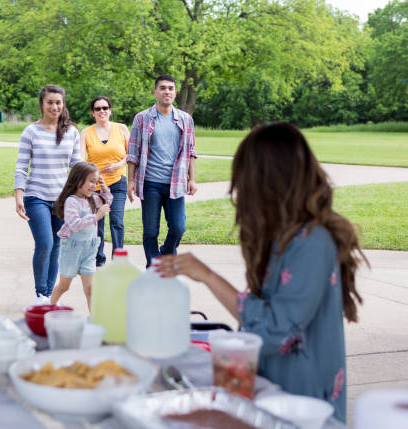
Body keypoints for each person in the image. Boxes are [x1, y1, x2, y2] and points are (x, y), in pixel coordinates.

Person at [155, 122, 366, 422]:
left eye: (246, 180)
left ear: (269, 181)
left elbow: (273, 330)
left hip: (301, 402)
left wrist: (209, 277)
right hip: (275, 387)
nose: (240, 191)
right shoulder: (286, 235)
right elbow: (260, 318)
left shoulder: (313, 243)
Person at [14, 85, 81, 305]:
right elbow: (22, 167)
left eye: (58, 102)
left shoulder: (71, 132)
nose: (54, 106)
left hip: (61, 199)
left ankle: (49, 296)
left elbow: (76, 164)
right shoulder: (31, 132)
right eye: (50, 102)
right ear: (42, 104)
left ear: (63, 104)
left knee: (56, 245)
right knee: (44, 243)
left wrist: (90, 180)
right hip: (36, 196)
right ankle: (40, 292)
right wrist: (18, 196)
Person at [126, 74, 197, 268]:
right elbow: (133, 152)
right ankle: (153, 266)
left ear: (174, 92)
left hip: (176, 183)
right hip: (150, 183)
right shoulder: (142, 118)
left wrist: (192, 179)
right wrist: (131, 181)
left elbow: (191, 151)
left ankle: (165, 254)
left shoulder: (185, 119)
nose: (167, 91)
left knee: (178, 227)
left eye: (171, 88)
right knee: (150, 230)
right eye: (163, 88)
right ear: (155, 92)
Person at [50, 162, 112, 310]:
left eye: (96, 182)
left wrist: (104, 188)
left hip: (89, 250)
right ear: (78, 180)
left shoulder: (93, 199)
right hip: (72, 250)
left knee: (90, 289)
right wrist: (96, 216)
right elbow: (75, 224)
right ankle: (49, 308)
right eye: (91, 181)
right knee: (64, 287)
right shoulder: (71, 201)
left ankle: (94, 320)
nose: (94, 185)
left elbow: (108, 201)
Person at [80, 96, 129, 267]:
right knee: (97, 222)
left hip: (117, 182)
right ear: (93, 113)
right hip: (95, 186)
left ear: (110, 110)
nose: (102, 111)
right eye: (98, 109)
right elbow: (81, 161)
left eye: (105, 108)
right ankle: (98, 258)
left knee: (117, 221)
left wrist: (118, 165)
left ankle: (118, 260)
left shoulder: (121, 129)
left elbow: (131, 155)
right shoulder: (86, 133)